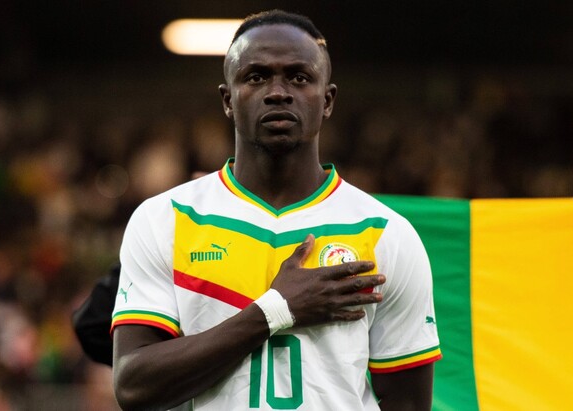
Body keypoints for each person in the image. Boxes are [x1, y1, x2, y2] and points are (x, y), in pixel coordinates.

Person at [110, 10, 440, 410]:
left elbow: (407, 403)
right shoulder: (166, 219)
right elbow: (134, 387)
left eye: (299, 78)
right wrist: (276, 310)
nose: (278, 92)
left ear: (327, 100)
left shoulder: (386, 233)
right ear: (228, 100)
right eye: (256, 77)